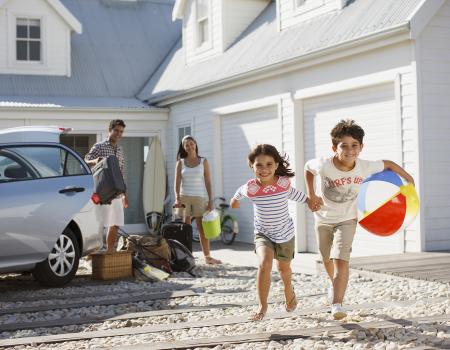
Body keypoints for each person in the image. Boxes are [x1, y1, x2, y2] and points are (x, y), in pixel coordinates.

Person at [304, 119, 415, 320]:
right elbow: (307, 169)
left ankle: (337, 303)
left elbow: (388, 163)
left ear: (361, 147)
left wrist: (409, 179)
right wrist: (311, 195)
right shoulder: (323, 165)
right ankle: (333, 283)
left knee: (340, 258)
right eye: (343, 145)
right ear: (334, 148)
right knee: (326, 257)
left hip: (348, 219)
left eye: (354, 145)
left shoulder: (364, 166)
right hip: (323, 218)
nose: (349, 150)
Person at [231, 144, 316, 321]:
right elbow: (239, 193)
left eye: (269, 164)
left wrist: (309, 201)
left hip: (285, 233)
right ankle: (262, 306)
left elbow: (294, 194)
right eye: (259, 165)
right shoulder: (252, 188)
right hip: (263, 233)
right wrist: (234, 200)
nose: (264, 169)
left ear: (276, 165)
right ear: (251, 166)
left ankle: (288, 290)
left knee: (283, 270)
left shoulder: (283, 183)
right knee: (265, 263)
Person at [174, 135, 222, 265]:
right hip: (184, 198)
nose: (189, 146)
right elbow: (177, 182)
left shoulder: (203, 161)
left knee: (202, 228)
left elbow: (208, 182)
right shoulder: (181, 162)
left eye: (191, 143)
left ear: (195, 144)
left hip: (200, 198)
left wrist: (211, 201)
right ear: (183, 147)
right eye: (186, 144)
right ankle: (187, 255)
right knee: (186, 229)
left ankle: (207, 257)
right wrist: (177, 198)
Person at [85, 119, 128, 252]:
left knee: (115, 224)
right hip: (102, 192)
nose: (118, 134)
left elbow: (122, 172)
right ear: (109, 130)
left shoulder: (120, 150)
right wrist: (95, 160)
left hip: (117, 193)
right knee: (99, 224)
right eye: (116, 130)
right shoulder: (99, 146)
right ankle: (92, 253)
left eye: (121, 131)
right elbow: (85, 159)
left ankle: (110, 252)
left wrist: (125, 195)